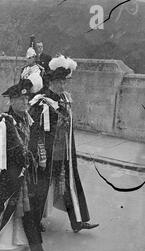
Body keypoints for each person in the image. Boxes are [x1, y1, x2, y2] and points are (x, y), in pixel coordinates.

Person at [0, 74, 61, 251]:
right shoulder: (3, 122)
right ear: (11, 101)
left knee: (30, 213)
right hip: (5, 178)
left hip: (22, 177)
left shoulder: (28, 120)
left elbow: (34, 144)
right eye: (20, 99)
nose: (24, 102)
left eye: (26, 98)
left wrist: (36, 158)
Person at [28, 55, 99, 233]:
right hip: (47, 154)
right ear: (50, 82)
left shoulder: (65, 99)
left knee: (69, 185)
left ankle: (78, 221)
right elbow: (35, 129)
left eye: (64, 82)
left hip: (63, 152)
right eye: (59, 82)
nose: (62, 85)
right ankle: (34, 222)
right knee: (41, 188)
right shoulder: (41, 101)